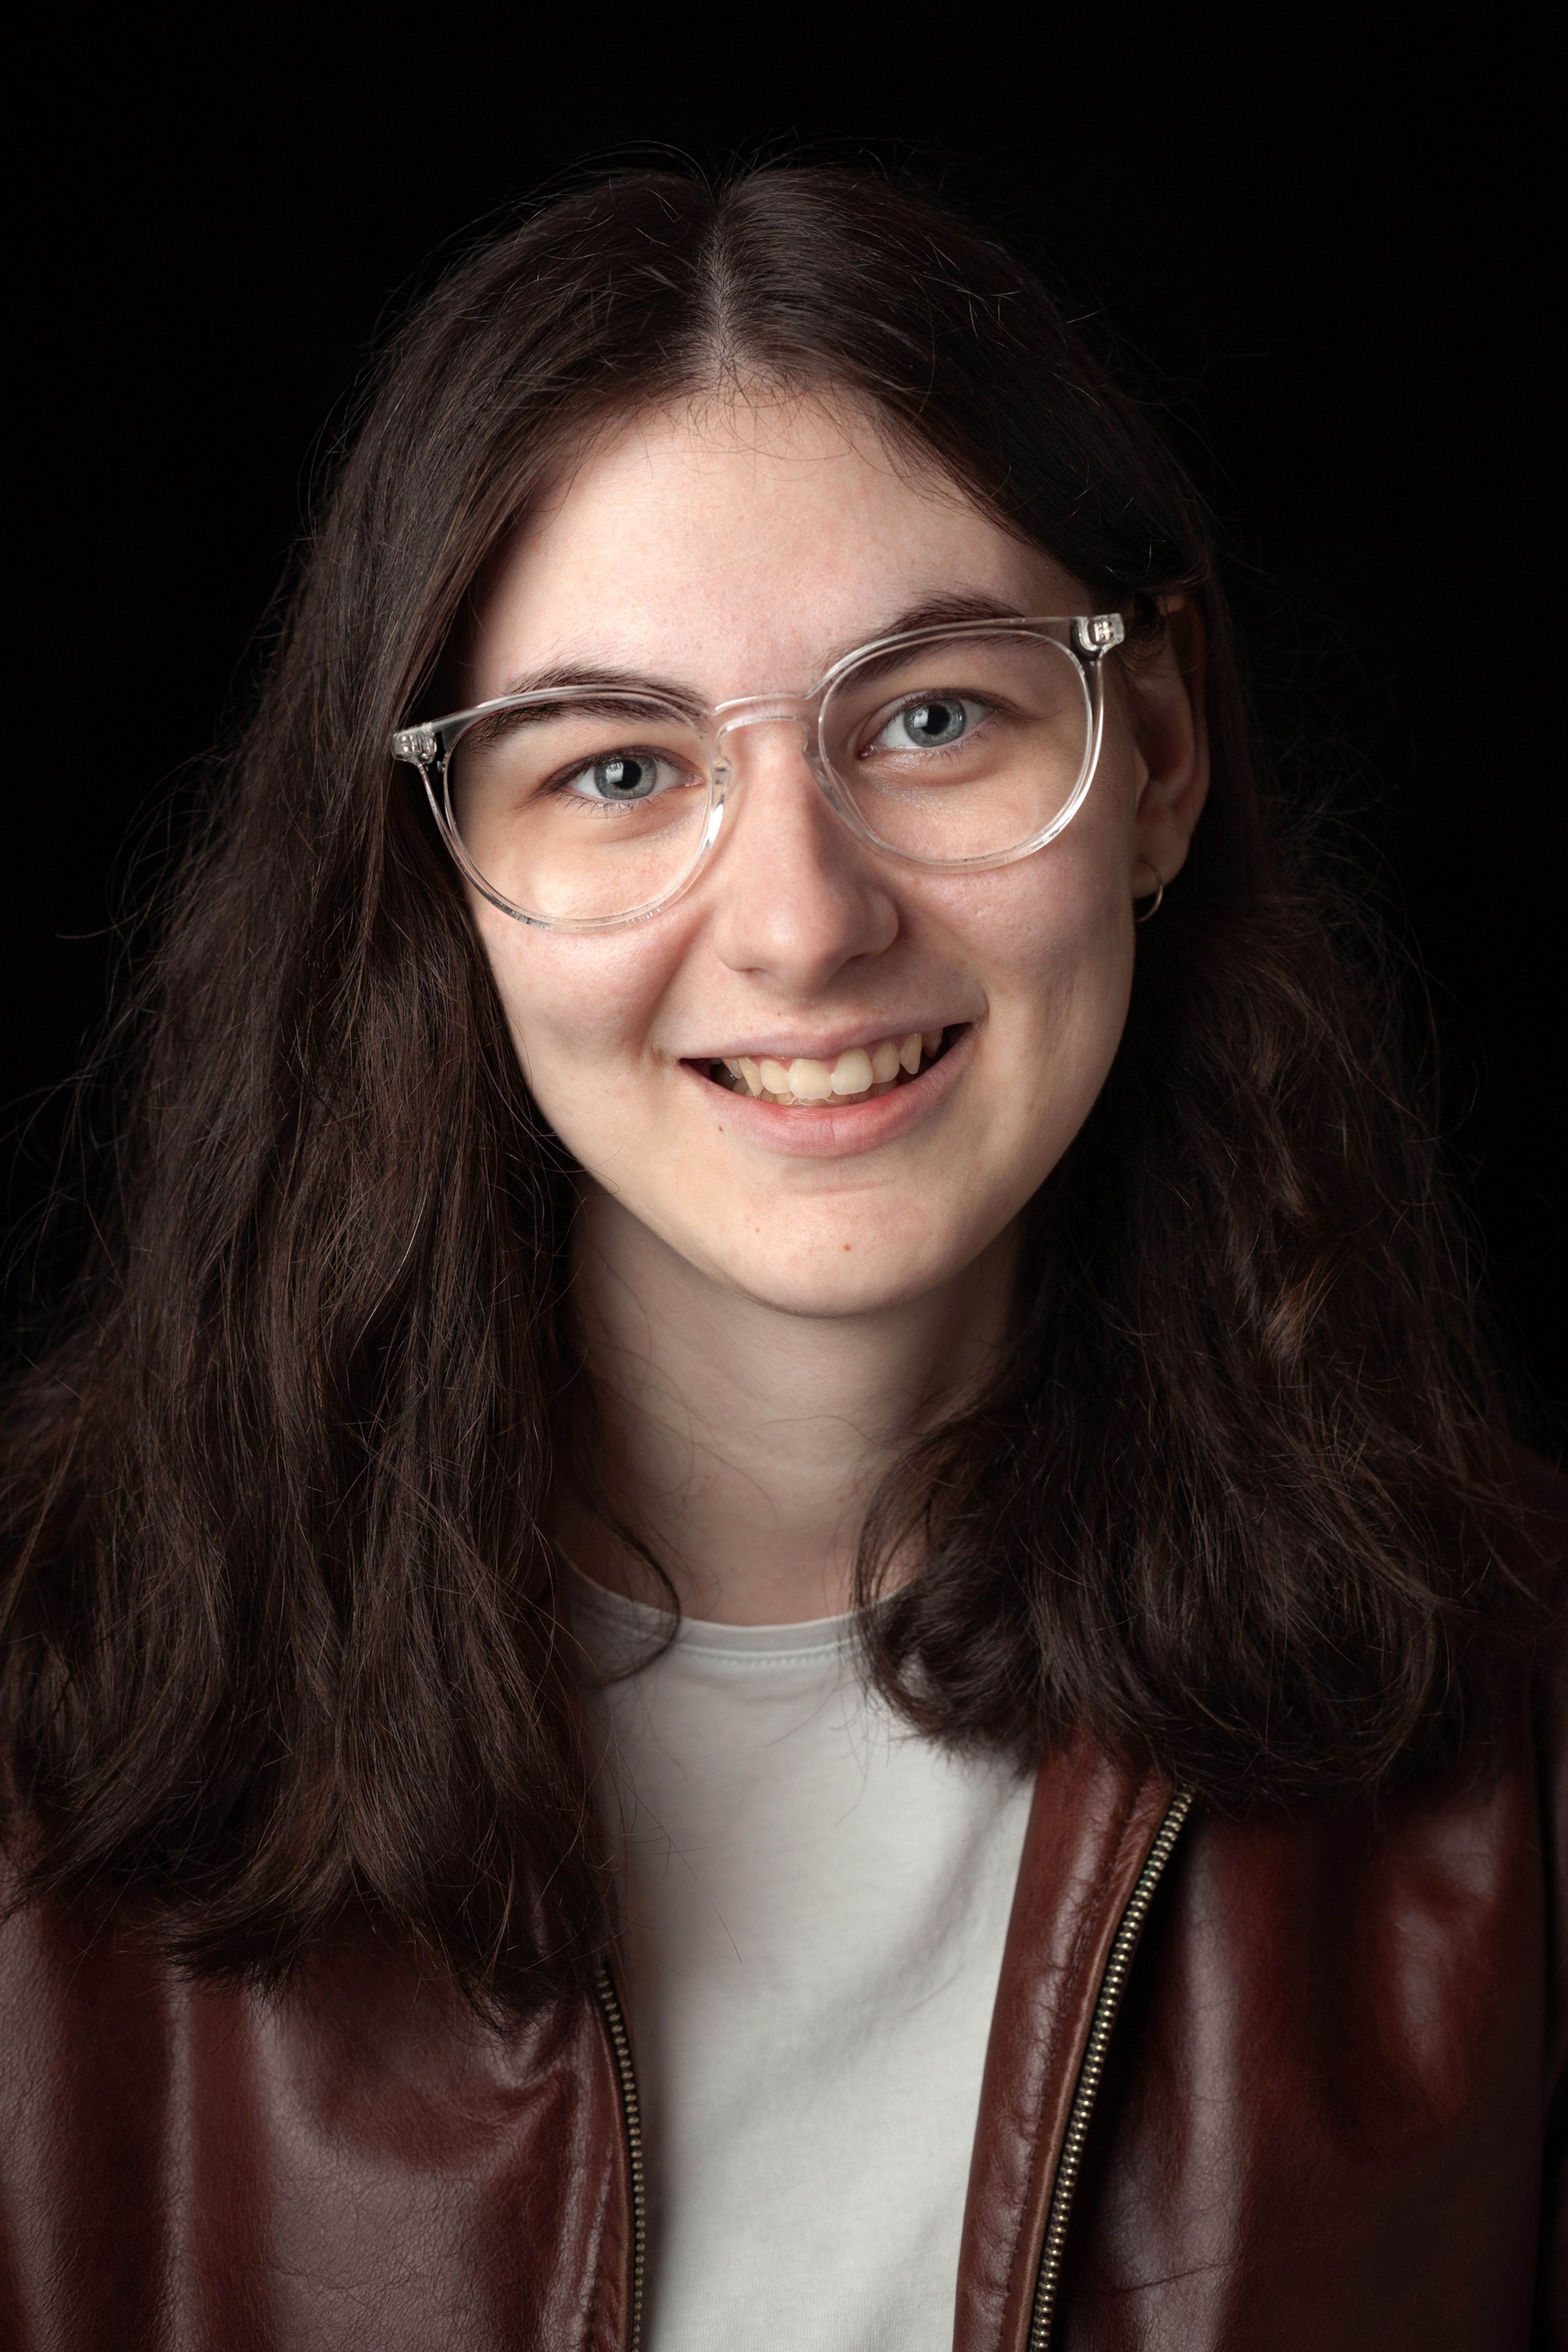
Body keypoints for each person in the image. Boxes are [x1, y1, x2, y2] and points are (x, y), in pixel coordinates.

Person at [0, 165, 1561, 2352]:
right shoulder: (34, 1724)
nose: (807, 921)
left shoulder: (1530, 1740)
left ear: (1162, 755)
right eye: (618, 768)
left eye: (932, 718)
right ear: (439, 881)